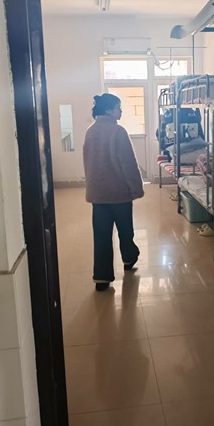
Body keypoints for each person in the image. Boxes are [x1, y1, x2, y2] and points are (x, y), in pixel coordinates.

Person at [83, 93, 144, 291]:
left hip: (98, 194)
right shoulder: (118, 131)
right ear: (109, 110)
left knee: (101, 235)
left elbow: (88, 163)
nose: (121, 111)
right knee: (125, 230)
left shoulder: (90, 131)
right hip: (119, 193)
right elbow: (128, 164)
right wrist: (136, 189)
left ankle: (101, 278)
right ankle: (129, 258)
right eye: (119, 107)